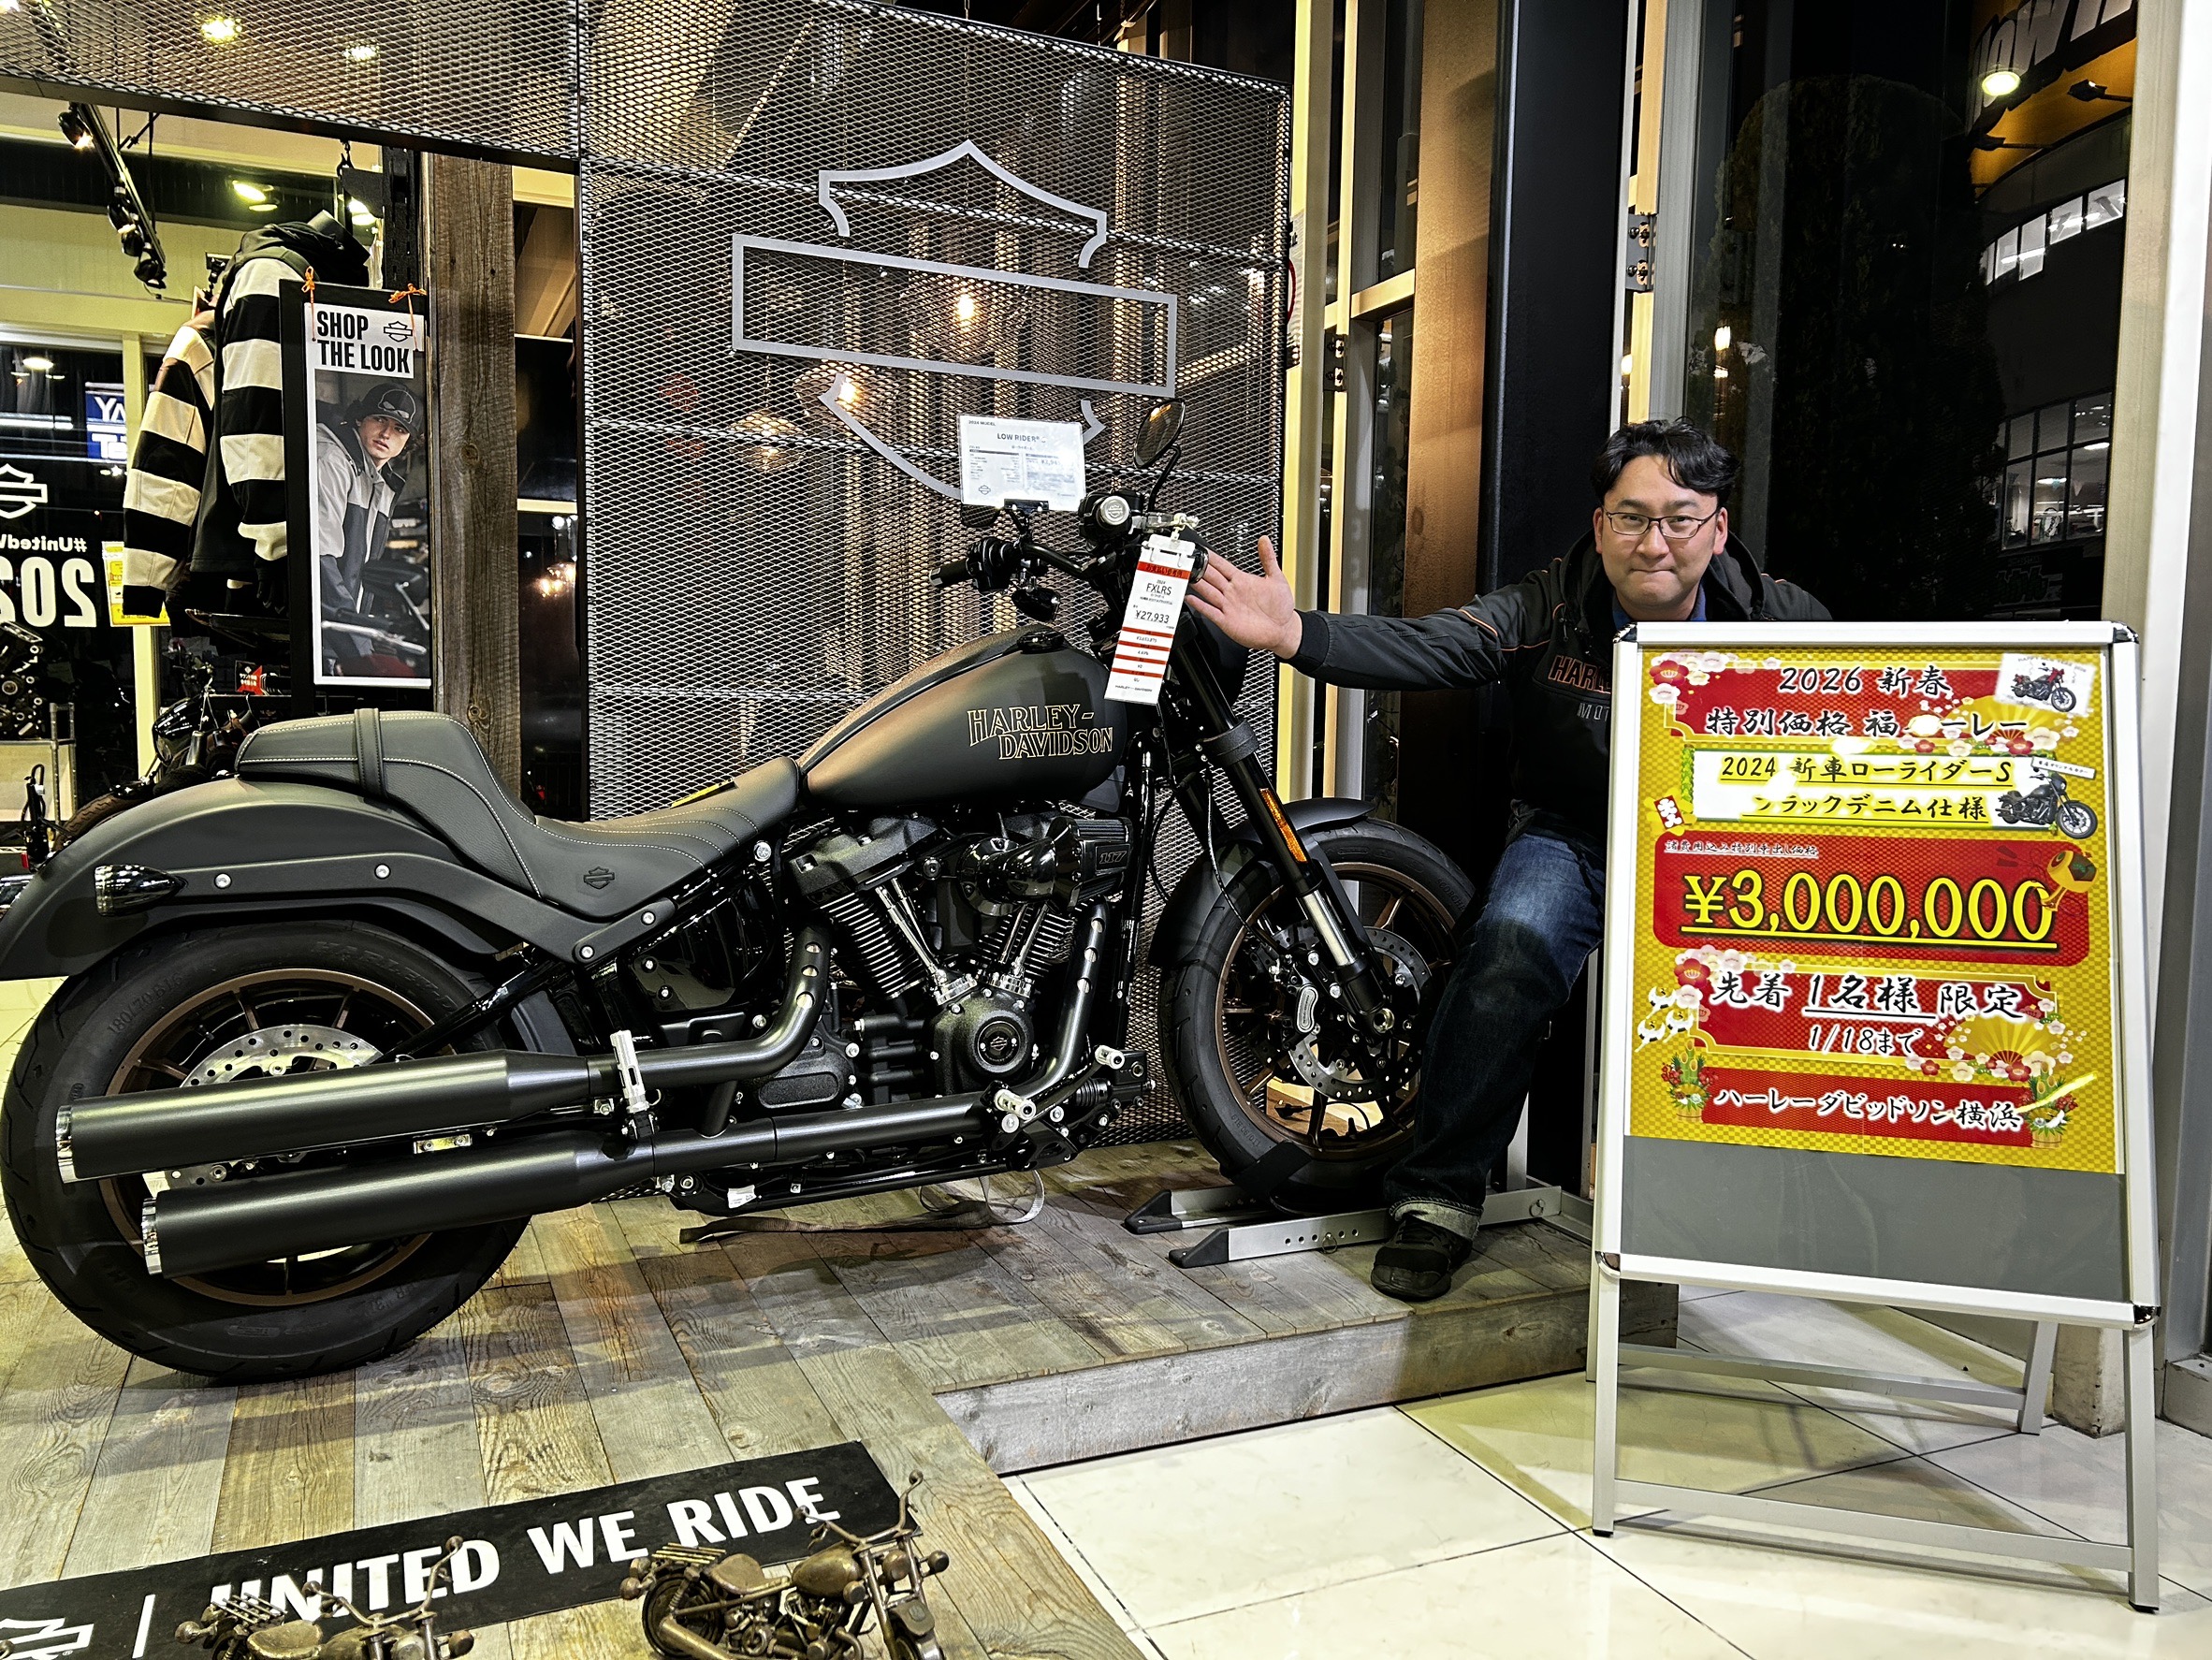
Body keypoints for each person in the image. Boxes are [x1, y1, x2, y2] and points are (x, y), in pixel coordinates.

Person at [1187, 419, 1829, 1301]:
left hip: (1729, 846)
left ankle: (1762, 1207)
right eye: (1632, 517)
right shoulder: (1549, 606)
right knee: (1508, 950)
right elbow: (1435, 644)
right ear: (1600, 524)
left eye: (1680, 519)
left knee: (1794, 985)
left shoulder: (1784, 621)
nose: (1655, 543)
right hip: (1578, 831)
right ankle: (1437, 1200)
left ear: (1717, 528)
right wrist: (1299, 634)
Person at [313, 383, 418, 648]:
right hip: (321, 631)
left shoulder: (379, 481)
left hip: (339, 630)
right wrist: (356, 646)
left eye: (400, 429)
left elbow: (359, 573)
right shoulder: (331, 459)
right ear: (360, 418)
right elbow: (319, 563)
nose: (386, 434)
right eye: (380, 419)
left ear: (407, 442)